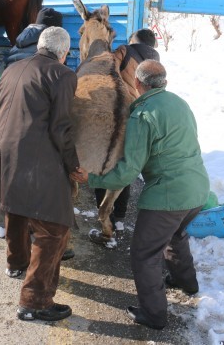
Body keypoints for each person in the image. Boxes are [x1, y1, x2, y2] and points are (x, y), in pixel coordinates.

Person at [71, 60, 210, 330]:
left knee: (144, 254)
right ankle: (186, 282)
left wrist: (93, 179)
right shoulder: (180, 103)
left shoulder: (142, 115)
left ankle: (154, 314)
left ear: (136, 83)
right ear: (165, 83)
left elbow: (128, 172)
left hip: (168, 197)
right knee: (176, 234)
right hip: (199, 189)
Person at [0, 26, 79, 322]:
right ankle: (34, 302)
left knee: (16, 210)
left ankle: (16, 264)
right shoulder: (62, 75)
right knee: (54, 230)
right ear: (63, 53)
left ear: (39, 46)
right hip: (36, 160)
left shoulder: (10, 70)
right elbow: (61, 127)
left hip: (3, 156)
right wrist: (74, 165)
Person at [90, 28, 161, 238]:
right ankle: (120, 217)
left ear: (133, 40)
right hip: (138, 112)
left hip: (116, 113)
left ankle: (106, 217)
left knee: (103, 164)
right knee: (125, 165)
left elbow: (104, 68)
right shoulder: (156, 61)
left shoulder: (125, 50)